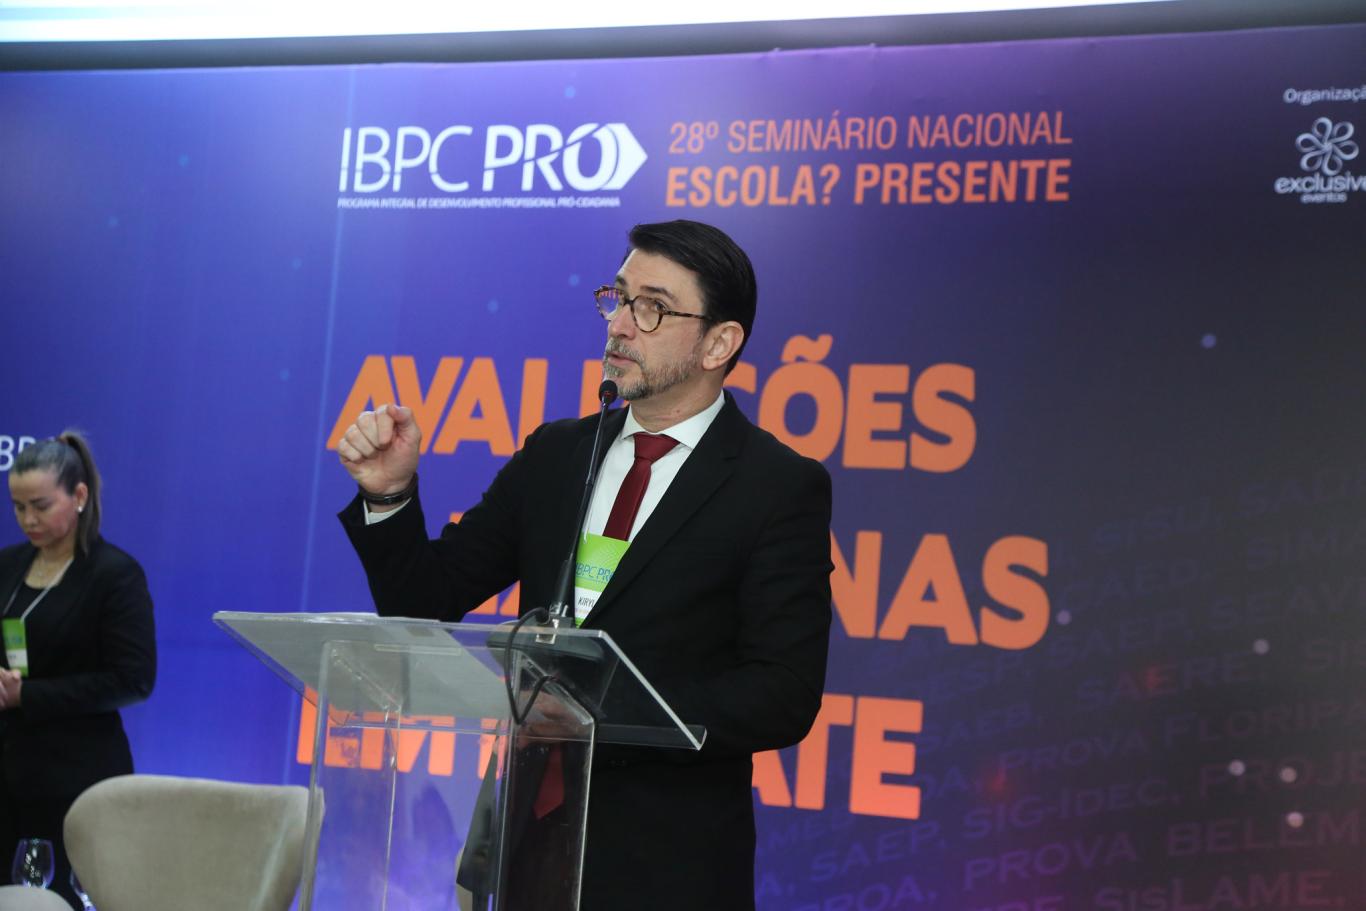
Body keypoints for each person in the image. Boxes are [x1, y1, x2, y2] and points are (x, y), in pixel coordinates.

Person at [337, 220, 832, 910]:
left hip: (665, 868)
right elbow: (426, 598)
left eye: (653, 308)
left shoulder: (775, 486)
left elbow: (782, 694)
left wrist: (600, 712)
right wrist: (389, 495)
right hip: (523, 847)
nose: (621, 325)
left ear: (719, 343)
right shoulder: (557, 454)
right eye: (619, 297)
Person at [1, 433, 156, 908]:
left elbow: (133, 680)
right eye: (18, 507)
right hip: (9, 772)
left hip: (78, 776)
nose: (28, 519)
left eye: (41, 506)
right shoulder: (7, 565)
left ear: (80, 496)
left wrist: (28, 696)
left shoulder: (114, 575)